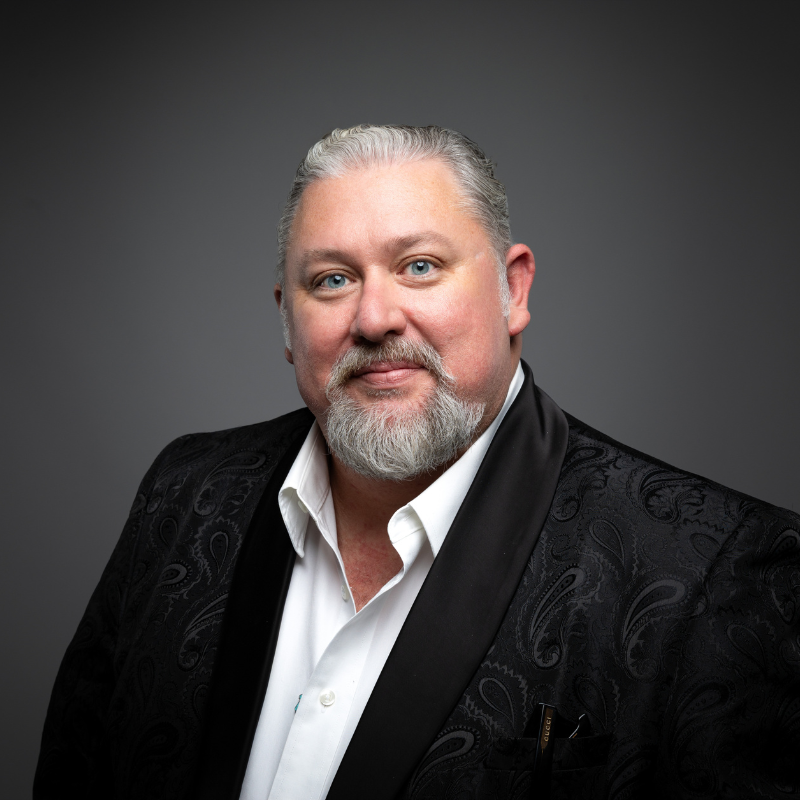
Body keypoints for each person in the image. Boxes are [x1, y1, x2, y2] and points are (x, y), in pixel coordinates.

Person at [34, 125, 800, 800]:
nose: (374, 318)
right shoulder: (185, 494)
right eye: (331, 280)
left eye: (421, 266)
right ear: (285, 319)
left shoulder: (717, 570)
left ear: (514, 288)